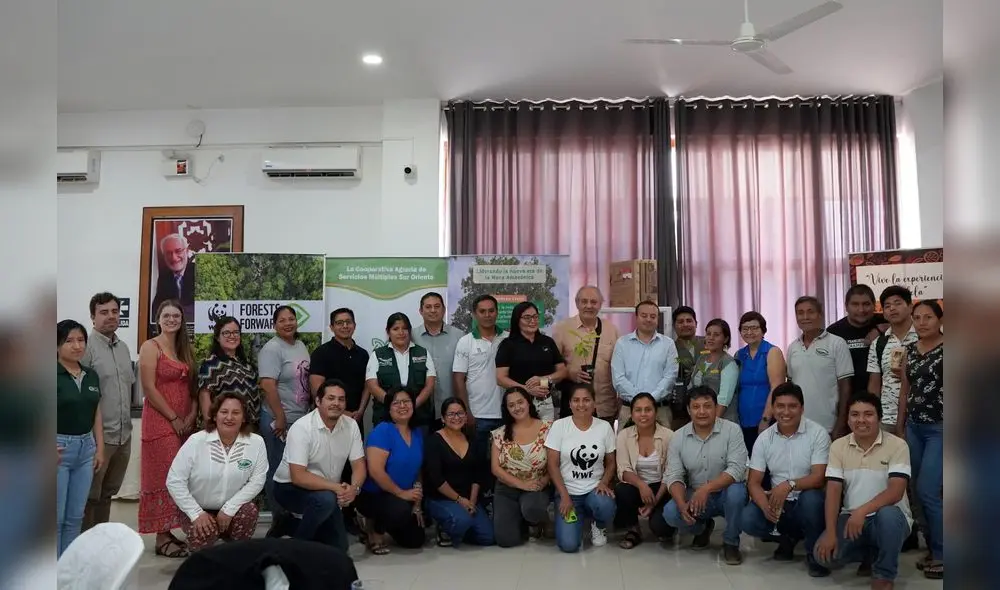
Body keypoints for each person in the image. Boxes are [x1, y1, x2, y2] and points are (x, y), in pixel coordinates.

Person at [814, 392, 912, 590]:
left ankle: (884, 574)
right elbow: (833, 491)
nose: (861, 420)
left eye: (868, 414)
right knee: (822, 557)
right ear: (848, 419)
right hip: (851, 519)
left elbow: (895, 492)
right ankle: (870, 553)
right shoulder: (838, 446)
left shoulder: (898, 445)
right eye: (855, 414)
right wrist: (831, 532)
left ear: (879, 418)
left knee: (889, 515)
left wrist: (862, 511)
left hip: (888, 519)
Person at [740, 382, 831, 577]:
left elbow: (818, 478)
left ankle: (813, 554)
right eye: (780, 406)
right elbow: (753, 482)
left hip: (806, 500)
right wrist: (765, 506)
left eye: (792, 406)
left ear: (802, 408)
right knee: (748, 518)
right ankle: (786, 540)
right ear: (772, 409)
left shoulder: (818, 434)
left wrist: (789, 485)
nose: (786, 412)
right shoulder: (764, 438)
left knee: (812, 500)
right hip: (778, 504)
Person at [271, 379, 366, 552]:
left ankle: (288, 524)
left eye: (341, 399)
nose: (336, 403)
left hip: (326, 490)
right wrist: (337, 488)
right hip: (289, 487)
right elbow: (298, 476)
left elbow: (359, 465)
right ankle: (298, 548)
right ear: (318, 401)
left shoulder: (351, 426)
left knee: (339, 549)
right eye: (330, 398)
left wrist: (354, 488)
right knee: (325, 500)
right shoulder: (302, 428)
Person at [166, 392, 267, 552]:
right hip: (199, 510)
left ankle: (236, 556)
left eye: (236, 413)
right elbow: (174, 480)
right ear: (214, 416)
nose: (229, 417)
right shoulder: (196, 441)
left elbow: (257, 481)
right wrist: (196, 513)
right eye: (224, 412)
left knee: (249, 511)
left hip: (233, 510)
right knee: (205, 554)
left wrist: (229, 508)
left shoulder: (256, 443)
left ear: (244, 418)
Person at [662, 386, 748, 565]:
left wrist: (707, 489)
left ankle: (731, 542)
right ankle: (701, 528)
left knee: (737, 492)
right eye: (696, 407)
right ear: (688, 409)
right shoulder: (678, 437)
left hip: (726, 493)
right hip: (696, 496)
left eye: (707, 406)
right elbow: (674, 475)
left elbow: (737, 469)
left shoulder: (732, 430)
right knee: (671, 512)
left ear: (716, 408)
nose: (702, 411)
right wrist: (681, 503)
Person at [138, 299, 197, 558]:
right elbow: (149, 388)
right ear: (158, 319)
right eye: (166, 315)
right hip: (162, 422)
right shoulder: (150, 347)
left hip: (185, 424)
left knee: (180, 477)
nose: (172, 319)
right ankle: (161, 537)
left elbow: (194, 387)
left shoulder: (185, 349)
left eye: (176, 315)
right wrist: (174, 418)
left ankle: (171, 530)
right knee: (163, 476)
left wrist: (191, 416)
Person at [897, 300, 944, 579]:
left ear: (940, 319)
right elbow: (905, 391)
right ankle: (932, 546)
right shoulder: (910, 352)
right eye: (917, 317)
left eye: (928, 317)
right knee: (915, 489)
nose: (922, 322)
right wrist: (900, 428)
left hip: (941, 428)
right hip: (914, 428)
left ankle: (943, 553)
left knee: (929, 490)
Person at [81, 292, 135, 531]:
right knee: (88, 495)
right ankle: (82, 549)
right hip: (98, 438)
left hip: (124, 436)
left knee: (107, 493)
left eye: (115, 311)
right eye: (104, 312)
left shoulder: (123, 348)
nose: (111, 316)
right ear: (93, 317)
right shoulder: (85, 348)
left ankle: (98, 542)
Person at [258, 305, 312, 537]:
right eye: (282, 320)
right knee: (276, 470)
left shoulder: (300, 346)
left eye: (292, 319)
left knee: (295, 469)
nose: (288, 323)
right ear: (274, 324)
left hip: (298, 419)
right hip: (278, 420)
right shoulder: (272, 349)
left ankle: (294, 517)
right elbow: (268, 384)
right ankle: (279, 520)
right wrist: (279, 416)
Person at [545, 383, 617, 553]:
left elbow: (611, 462)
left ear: (594, 403)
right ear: (569, 404)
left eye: (586, 400)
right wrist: (564, 496)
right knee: (569, 545)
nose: (581, 404)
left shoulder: (604, 427)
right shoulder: (559, 426)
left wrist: (604, 482)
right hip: (568, 492)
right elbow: (552, 464)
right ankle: (578, 516)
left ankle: (598, 524)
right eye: (576, 400)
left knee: (605, 505)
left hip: (594, 490)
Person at [356, 388, 427, 554]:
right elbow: (375, 471)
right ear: (389, 408)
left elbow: (417, 470)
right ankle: (374, 529)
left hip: (402, 496)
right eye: (396, 403)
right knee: (400, 510)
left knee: (416, 539)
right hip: (374, 495)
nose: (402, 406)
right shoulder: (383, 431)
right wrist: (401, 493)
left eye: (407, 402)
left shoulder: (417, 433)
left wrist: (417, 503)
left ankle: (385, 524)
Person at [56, 320, 104, 557]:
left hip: (86, 450)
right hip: (58, 451)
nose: (76, 346)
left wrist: (100, 449)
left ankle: (66, 572)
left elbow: (96, 412)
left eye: (81, 340)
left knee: (75, 517)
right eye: (69, 341)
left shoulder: (91, 375)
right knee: (55, 519)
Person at [424, 397, 495, 548]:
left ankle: (460, 529)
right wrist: (459, 500)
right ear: (443, 418)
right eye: (451, 414)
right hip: (442, 498)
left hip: (468, 498)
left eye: (460, 413)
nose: (456, 418)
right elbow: (436, 479)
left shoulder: (472, 439)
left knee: (488, 538)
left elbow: (478, 473)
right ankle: (445, 527)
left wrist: (472, 502)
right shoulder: (434, 441)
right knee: (462, 520)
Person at [491, 386, 552, 547]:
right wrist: (521, 485)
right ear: (507, 409)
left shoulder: (548, 428)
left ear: (528, 402)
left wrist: (544, 481)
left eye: (520, 402)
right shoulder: (500, 433)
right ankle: (518, 518)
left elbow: (557, 463)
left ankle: (536, 521)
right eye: (511, 405)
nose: (517, 408)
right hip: (507, 488)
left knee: (533, 509)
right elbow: (495, 468)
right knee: (506, 540)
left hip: (537, 485)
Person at [614, 392, 675, 549]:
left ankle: (661, 519)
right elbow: (623, 469)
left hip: (662, 487)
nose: (643, 414)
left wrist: (653, 502)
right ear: (632, 414)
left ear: (655, 412)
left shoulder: (669, 436)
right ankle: (633, 529)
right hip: (637, 486)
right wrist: (641, 485)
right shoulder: (624, 435)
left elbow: (671, 473)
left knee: (661, 529)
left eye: (648, 410)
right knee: (622, 490)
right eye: (638, 410)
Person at [786, 296, 853, 437]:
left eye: (810, 312)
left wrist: (841, 423)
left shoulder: (837, 343)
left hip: (828, 425)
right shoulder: (793, 347)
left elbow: (845, 386)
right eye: (800, 313)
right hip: (799, 425)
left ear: (820, 315)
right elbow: (792, 386)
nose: (805, 317)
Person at [552, 286, 620, 423]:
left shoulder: (611, 330)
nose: (589, 306)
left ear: (600, 304)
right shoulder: (562, 329)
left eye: (594, 302)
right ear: (577, 303)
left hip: (605, 407)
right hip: (574, 406)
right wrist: (569, 373)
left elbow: (619, 367)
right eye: (584, 301)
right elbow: (551, 366)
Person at [454, 294, 508, 453]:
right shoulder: (465, 342)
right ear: (474, 314)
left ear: (497, 313)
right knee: (478, 464)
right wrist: (466, 412)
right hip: (477, 416)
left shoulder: (508, 339)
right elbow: (458, 379)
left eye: (491, 311)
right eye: (482, 311)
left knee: (506, 463)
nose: (487, 315)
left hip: (507, 413)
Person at [366, 312, 438, 432]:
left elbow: (429, 385)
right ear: (388, 332)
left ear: (410, 331)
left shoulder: (423, 353)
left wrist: (412, 405)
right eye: (395, 329)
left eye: (405, 329)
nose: (401, 333)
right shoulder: (377, 354)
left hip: (419, 418)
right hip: (386, 418)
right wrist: (394, 405)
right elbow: (372, 385)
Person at [496, 301, 567, 421]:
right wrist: (525, 389)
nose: (532, 321)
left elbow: (562, 372)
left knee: (545, 437)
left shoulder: (547, 342)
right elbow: (500, 378)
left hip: (545, 402)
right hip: (519, 403)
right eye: (527, 317)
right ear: (517, 320)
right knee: (521, 437)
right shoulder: (507, 345)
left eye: (535, 316)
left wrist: (544, 379)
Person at [611, 300, 679, 426]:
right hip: (629, 409)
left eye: (653, 316)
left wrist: (650, 400)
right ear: (636, 317)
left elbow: (671, 376)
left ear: (657, 319)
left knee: (663, 445)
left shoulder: (668, 344)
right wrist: (641, 401)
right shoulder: (622, 343)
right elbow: (618, 378)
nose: (648, 319)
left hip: (661, 410)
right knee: (626, 445)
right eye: (644, 316)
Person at [308, 308, 370, 434]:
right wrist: (343, 412)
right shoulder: (321, 353)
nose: (345, 326)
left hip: (355, 419)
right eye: (340, 323)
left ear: (354, 325)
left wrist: (360, 411)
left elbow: (367, 385)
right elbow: (317, 390)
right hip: (329, 419)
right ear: (331, 327)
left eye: (348, 322)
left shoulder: (363, 354)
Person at [734, 311, 787, 454]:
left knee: (767, 465)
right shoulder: (739, 354)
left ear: (763, 330)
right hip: (743, 420)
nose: (749, 332)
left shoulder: (772, 352)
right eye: (745, 329)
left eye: (754, 328)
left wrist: (765, 419)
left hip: (766, 419)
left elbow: (777, 387)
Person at [867, 286, 918, 432]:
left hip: (919, 417)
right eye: (887, 306)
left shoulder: (925, 337)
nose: (892, 308)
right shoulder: (879, 343)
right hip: (887, 418)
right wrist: (873, 413)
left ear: (910, 307)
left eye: (898, 303)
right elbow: (875, 382)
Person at [412, 292, 466, 427]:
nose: (433, 310)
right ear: (420, 311)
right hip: (419, 410)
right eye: (428, 307)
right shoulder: (411, 337)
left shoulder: (459, 336)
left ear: (444, 309)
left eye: (437, 306)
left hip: (452, 412)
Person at [197, 316, 259, 428]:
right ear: (217, 337)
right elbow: (204, 397)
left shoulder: (247, 365)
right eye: (226, 333)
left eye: (236, 332)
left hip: (249, 428)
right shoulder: (211, 364)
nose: (232, 336)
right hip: (223, 427)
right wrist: (211, 426)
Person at [827, 284, 887, 396]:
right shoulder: (834, 331)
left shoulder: (885, 321)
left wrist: (880, 328)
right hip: (847, 397)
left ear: (874, 305)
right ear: (846, 306)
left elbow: (909, 323)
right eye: (855, 304)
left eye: (866, 304)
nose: (861, 309)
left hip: (884, 397)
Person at [690, 318, 739, 423]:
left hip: (722, 420)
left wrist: (712, 424)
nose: (711, 338)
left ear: (725, 339)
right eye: (708, 334)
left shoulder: (728, 363)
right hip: (701, 418)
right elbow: (695, 384)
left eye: (716, 335)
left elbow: (723, 400)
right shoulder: (702, 359)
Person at [670, 306, 705, 430]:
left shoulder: (708, 343)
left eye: (689, 321)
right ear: (674, 326)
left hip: (707, 404)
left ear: (696, 323)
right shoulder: (669, 348)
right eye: (680, 322)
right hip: (679, 407)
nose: (685, 324)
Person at [151, 233, 195, 320]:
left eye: (178, 251)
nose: (174, 258)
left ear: (187, 251)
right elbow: (156, 311)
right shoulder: (164, 277)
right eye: (168, 253)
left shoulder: (199, 271)